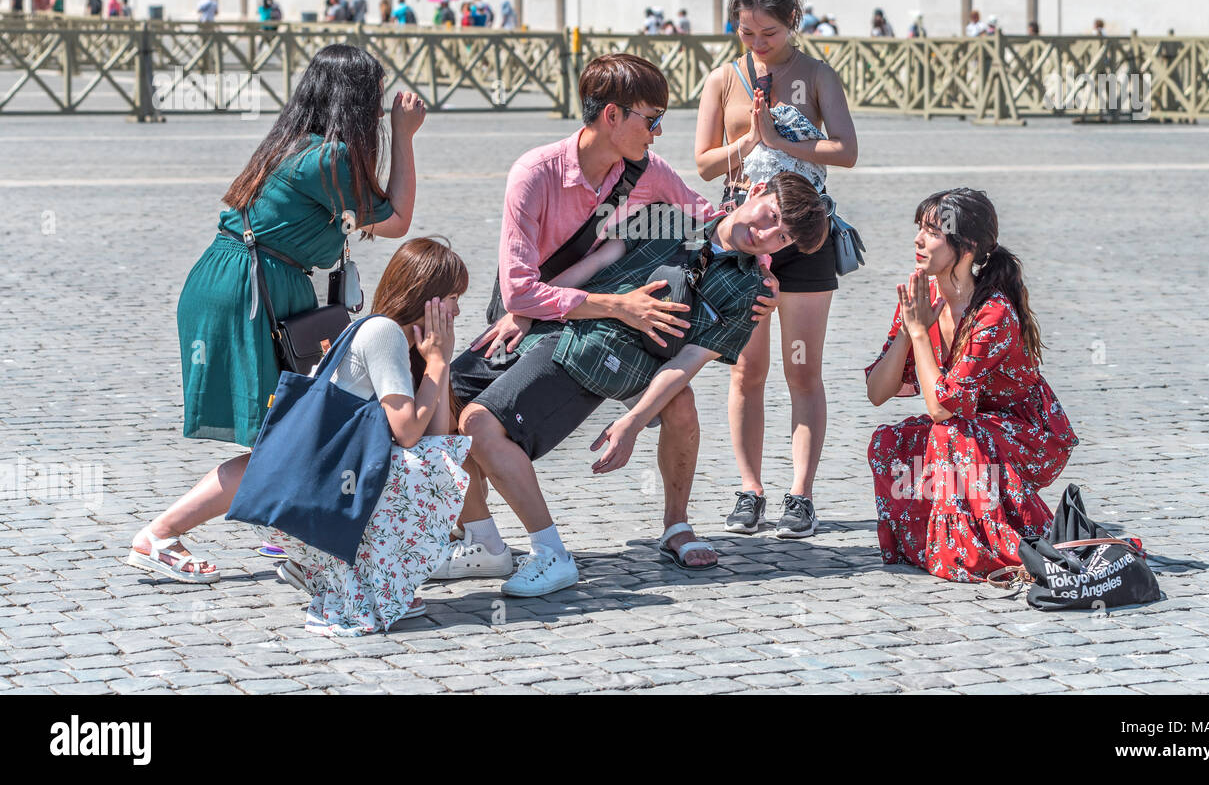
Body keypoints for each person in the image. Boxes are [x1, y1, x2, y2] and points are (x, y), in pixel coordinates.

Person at [440, 52, 780, 592]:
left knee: (681, 402)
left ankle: (675, 525)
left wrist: (763, 270)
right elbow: (519, 288)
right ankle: (481, 540)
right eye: (652, 119)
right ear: (612, 116)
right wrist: (618, 305)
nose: (659, 132)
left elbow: (708, 218)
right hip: (530, 314)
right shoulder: (534, 173)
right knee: (445, 404)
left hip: (608, 326)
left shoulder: (649, 171)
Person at [124, 45, 425, 583]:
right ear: (353, 101)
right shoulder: (328, 158)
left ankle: (295, 546)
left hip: (241, 282)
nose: (381, 106)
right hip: (249, 291)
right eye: (375, 96)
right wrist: (404, 134)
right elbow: (399, 219)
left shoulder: (293, 145)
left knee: (288, 432)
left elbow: (372, 222)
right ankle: (161, 534)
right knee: (287, 437)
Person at [454, 174, 827, 597]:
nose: (764, 235)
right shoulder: (667, 219)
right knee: (445, 400)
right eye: (771, 217)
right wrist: (527, 307)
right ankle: (481, 538)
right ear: (758, 192)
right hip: (559, 322)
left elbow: (686, 363)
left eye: (781, 239)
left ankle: (555, 553)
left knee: (479, 425)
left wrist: (632, 422)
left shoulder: (750, 291)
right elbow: (592, 266)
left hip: (599, 357)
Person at [694, 0, 858, 539]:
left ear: (793, 22)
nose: (759, 44)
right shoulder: (723, 79)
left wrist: (782, 142)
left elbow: (846, 149)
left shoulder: (814, 73)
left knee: (802, 368)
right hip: (745, 237)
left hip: (804, 237)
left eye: (769, 33)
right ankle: (749, 487)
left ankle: (800, 495)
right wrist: (748, 140)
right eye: (747, 32)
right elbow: (703, 162)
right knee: (747, 370)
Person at [864, 188, 1078, 582]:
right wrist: (909, 333)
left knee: (951, 432)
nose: (918, 239)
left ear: (967, 247)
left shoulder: (994, 312)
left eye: (932, 231)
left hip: (1029, 437)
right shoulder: (922, 296)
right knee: (889, 444)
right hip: (967, 428)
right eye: (919, 229)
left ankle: (991, 548)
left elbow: (942, 408)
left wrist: (919, 332)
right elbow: (877, 393)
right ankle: (934, 545)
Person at [260, 238, 472, 635]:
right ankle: (345, 570)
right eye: (453, 297)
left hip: (337, 472)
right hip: (321, 483)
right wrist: (439, 362)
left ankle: (364, 571)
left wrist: (436, 363)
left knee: (436, 461)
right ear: (426, 297)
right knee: (425, 468)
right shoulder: (385, 333)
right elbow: (410, 435)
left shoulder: (407, 344)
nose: (458, 309)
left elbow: (438, 436)